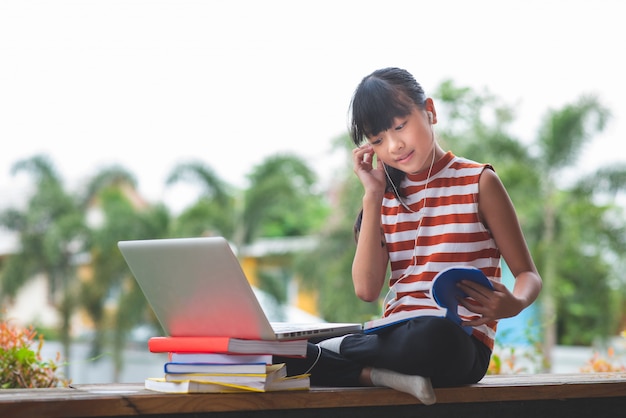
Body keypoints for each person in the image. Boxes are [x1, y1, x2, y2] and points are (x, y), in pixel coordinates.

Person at [276, 67, 542, 405]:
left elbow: (528, 274)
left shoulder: (479, 182)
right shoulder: (382, 199)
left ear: (429, 111)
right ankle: (377, 375)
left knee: (431, 334)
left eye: (400, 126)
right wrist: (372, 195)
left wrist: (515, 302)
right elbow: (366, 289)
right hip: (393, 335)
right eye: (377, 140)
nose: (394, 145)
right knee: (268, 348)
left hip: (456, 343)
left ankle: (339, 355)